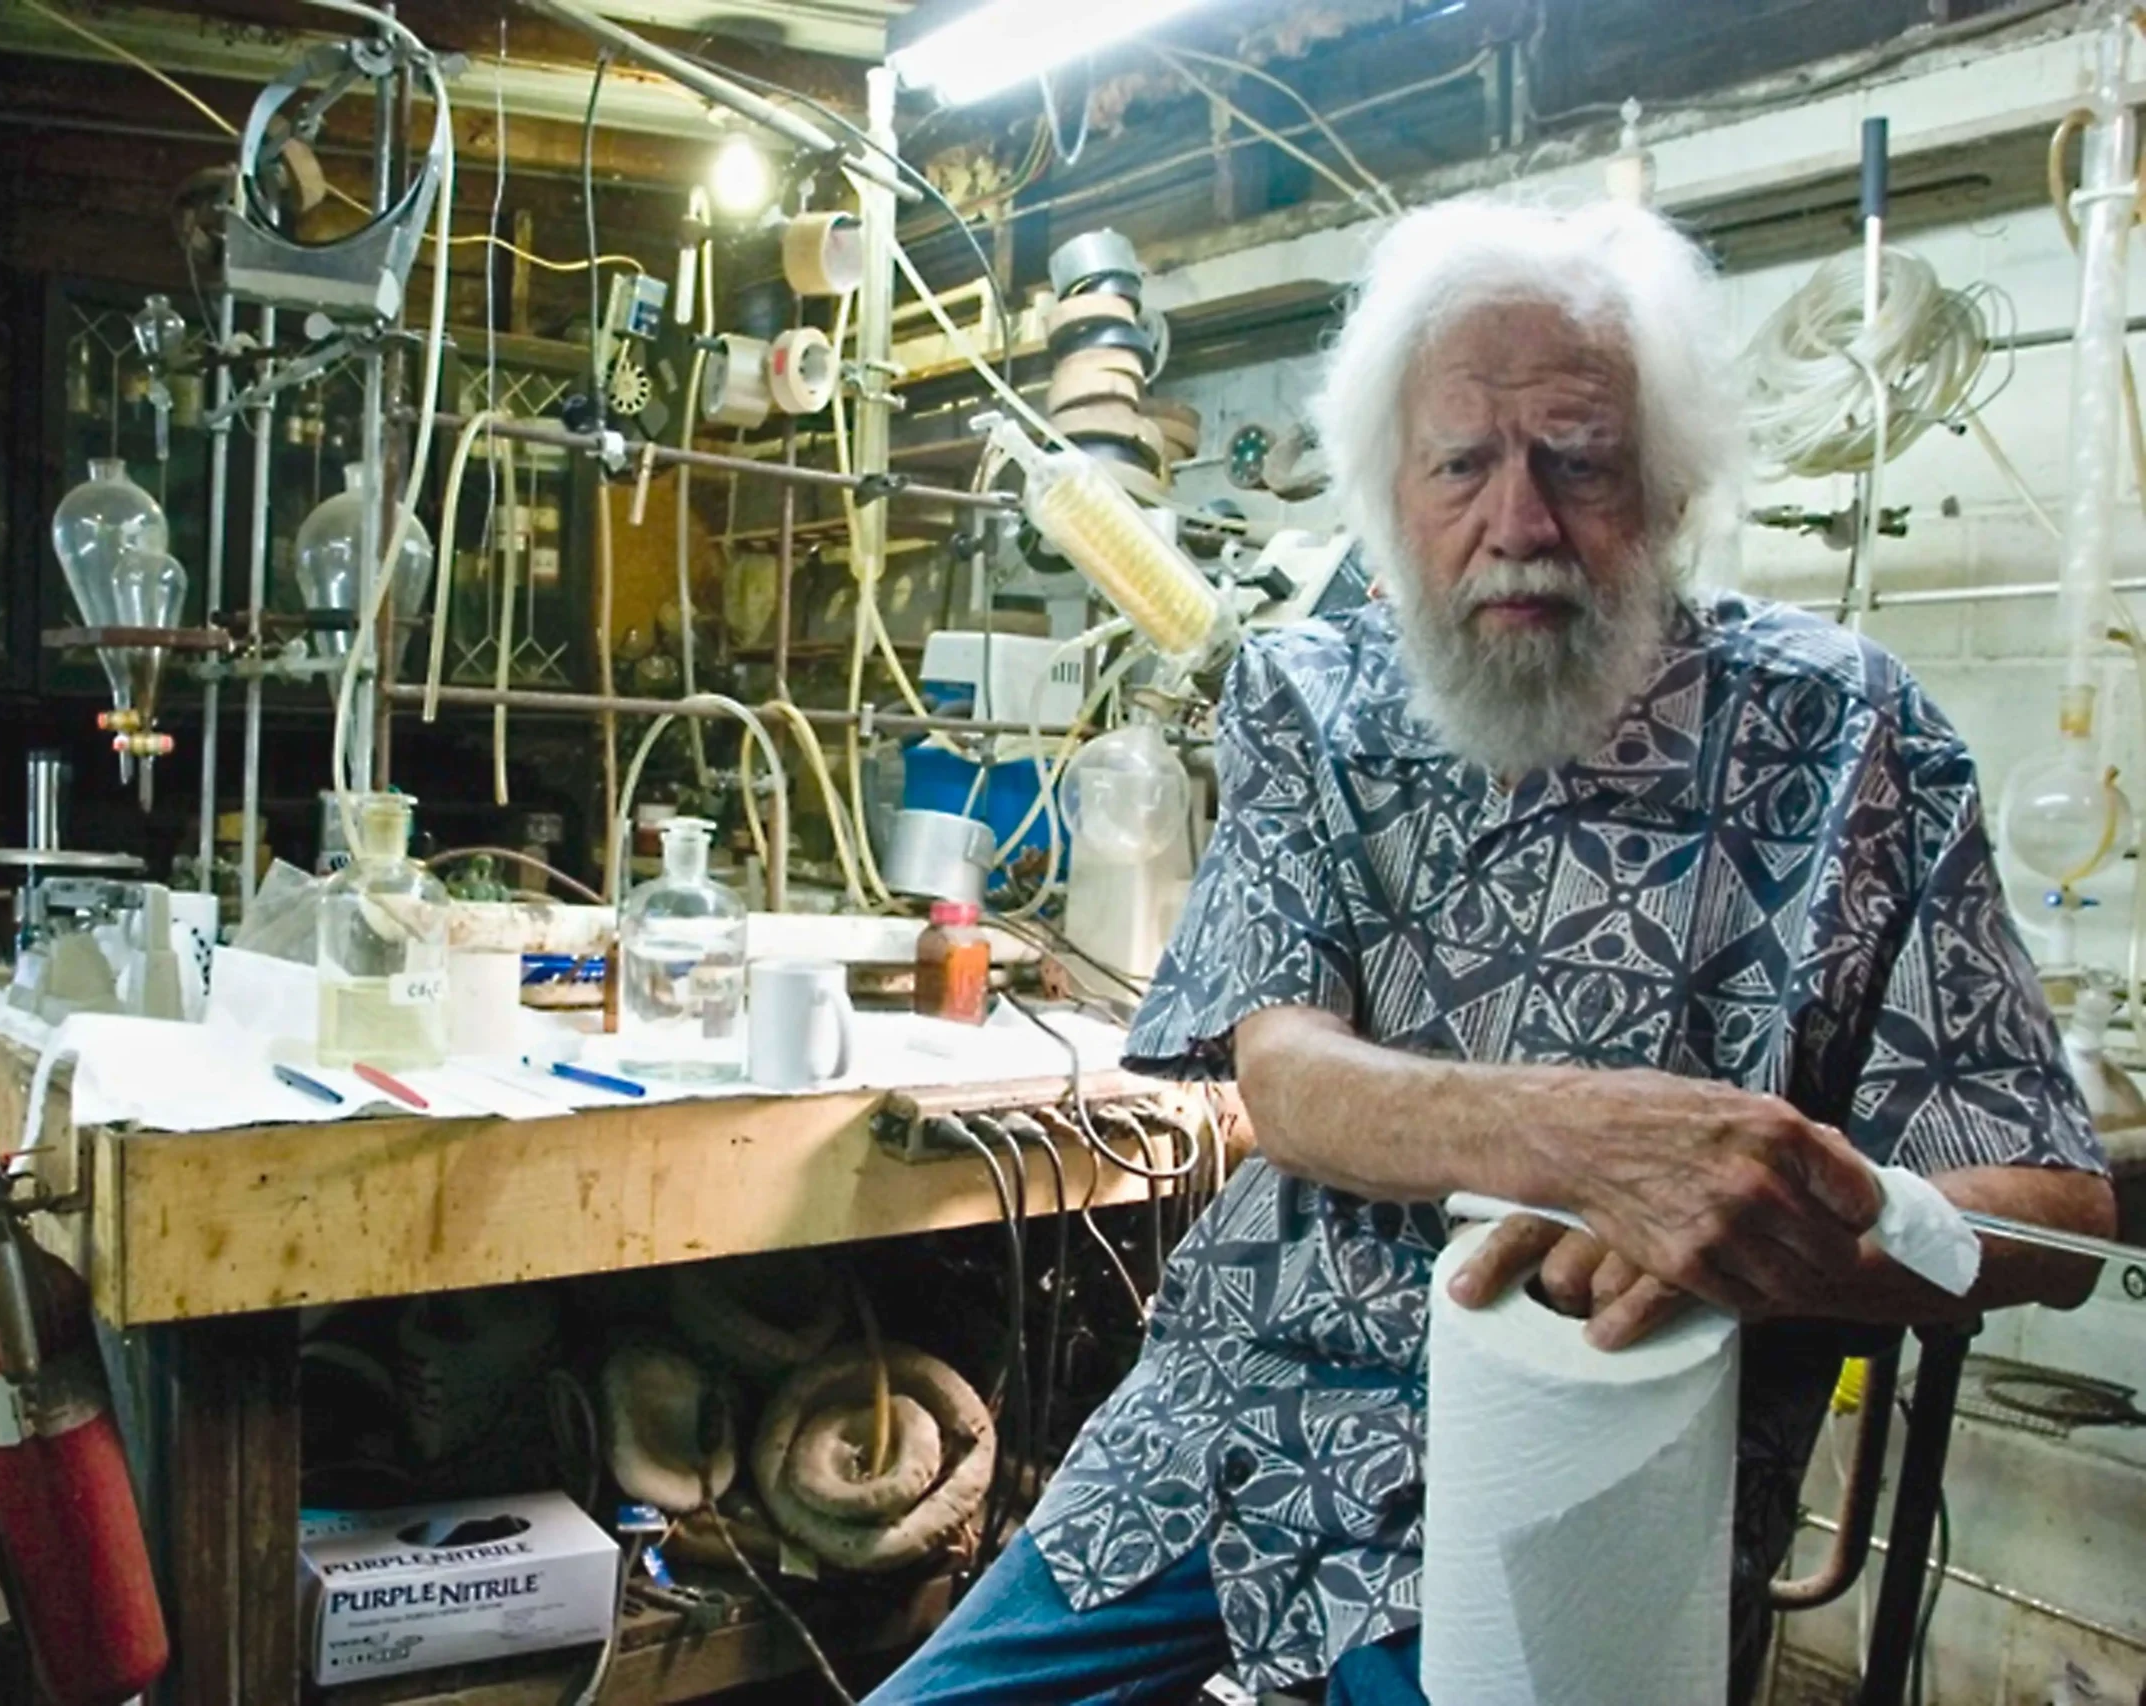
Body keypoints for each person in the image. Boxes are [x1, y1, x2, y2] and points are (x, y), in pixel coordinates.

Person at [866, 197, 2116, 1706]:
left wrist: (1771, 1235)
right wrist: (1596, 1142)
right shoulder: (1312, 698)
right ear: (1394, 493)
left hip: (1596, 1468)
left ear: (1665, 484)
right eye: (1462, 463)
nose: (1518, 523)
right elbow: (1291, 1078)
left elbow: (2053, 1208)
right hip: (1237, 1422)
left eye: (1577, 459)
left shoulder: (1851, 740)